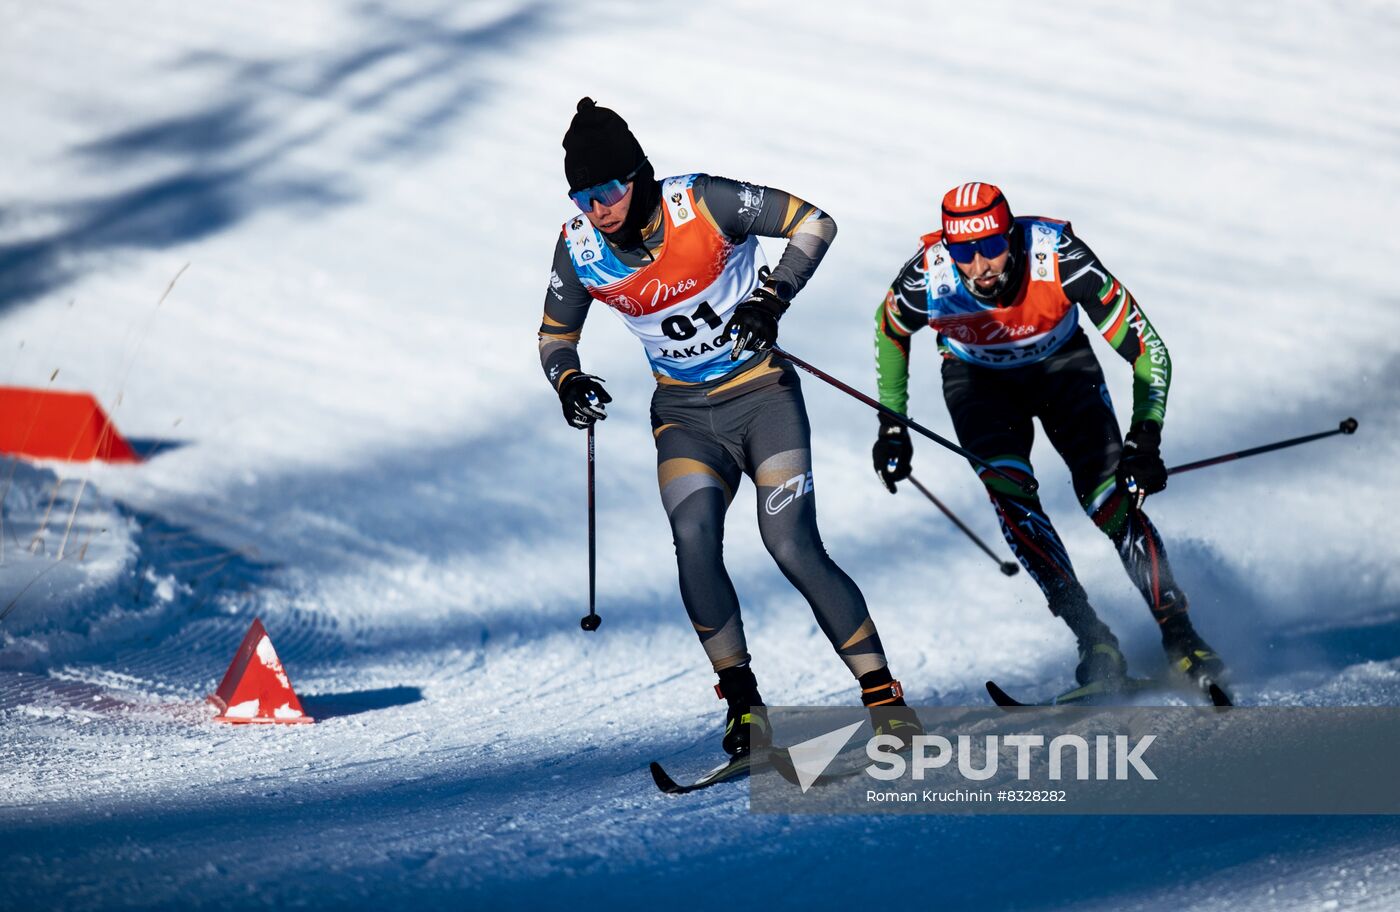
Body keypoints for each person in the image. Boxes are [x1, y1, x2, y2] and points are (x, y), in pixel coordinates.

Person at [538, 98, 919, 758]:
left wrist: (773, 297)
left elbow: (814, 223)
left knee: (791, 544)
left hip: (762, 396)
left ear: (639, 176)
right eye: (583, 197)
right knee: (693, 540)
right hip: (684, 417)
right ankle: (745, 708)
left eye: (608, 192)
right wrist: (568, 381)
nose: (598, 210)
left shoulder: (704, 203)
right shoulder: (579, 248)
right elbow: (553, 336)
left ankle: (884, 698)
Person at [870, 181, 1225, 693]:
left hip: (1063, 369)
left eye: (991, 247)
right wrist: (892, 424)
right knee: (1012, 494)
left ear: (1012, 237)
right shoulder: (928, 275)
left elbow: (1148, 349)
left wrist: (1145, 439)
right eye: (965, 252)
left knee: (1108, 499)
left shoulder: (1058, 257)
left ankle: (1181, 634)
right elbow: (890, 330)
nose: (980, 265)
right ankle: (1094, 640)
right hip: (978, 382)